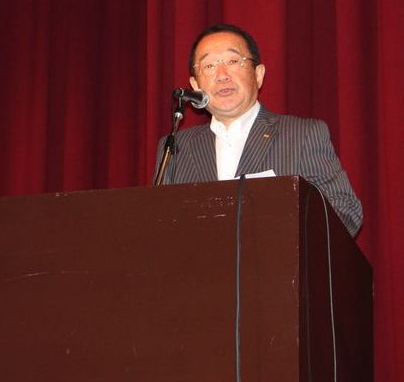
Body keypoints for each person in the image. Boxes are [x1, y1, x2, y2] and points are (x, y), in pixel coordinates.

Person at [154, 23, 363, 237]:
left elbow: (344, 210)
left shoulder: (301, 135)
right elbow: (158, 225)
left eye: (233, 61)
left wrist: (282, 234)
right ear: (195, 85)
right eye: (209, 66)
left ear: (258, 74)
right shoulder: (175, 147)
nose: (222, 75)